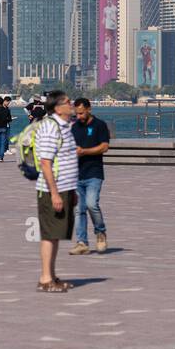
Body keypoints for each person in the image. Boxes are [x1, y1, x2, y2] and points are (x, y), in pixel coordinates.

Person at [34, 90, 79, 293]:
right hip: (53, 190)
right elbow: (45, 162)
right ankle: (45, 278)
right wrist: (54, 193)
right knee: (49, 234)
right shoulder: (52, 128)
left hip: (65, 188)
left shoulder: (65, 126)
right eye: (68, 102)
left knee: (56, 234)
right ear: (58, 108)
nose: (72, 105)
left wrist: (72, 190)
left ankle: (51, 276)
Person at [70, 98, 112, 255]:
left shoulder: (99, 125)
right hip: (77, 174)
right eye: (77, 113)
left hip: (94, 173)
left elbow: (104, 147)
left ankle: (100, 232)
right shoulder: (74, 128)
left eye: (81, 113)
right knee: (79, 209)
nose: (79, 116)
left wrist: (84, 151)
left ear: (89, 109)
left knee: (91, 204)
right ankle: (82, 242)